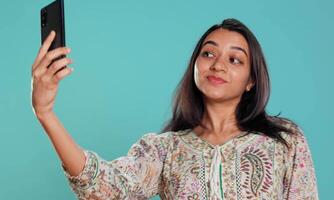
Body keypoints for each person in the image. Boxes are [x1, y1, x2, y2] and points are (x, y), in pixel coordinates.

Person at [31, 18, 319, 199]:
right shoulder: (165, 150)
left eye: (235, 60)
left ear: (251, 80)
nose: (217, 64)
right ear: (195, 65)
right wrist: (46, 113)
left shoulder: (284, 141)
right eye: (208, 53)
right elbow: (104, 187)